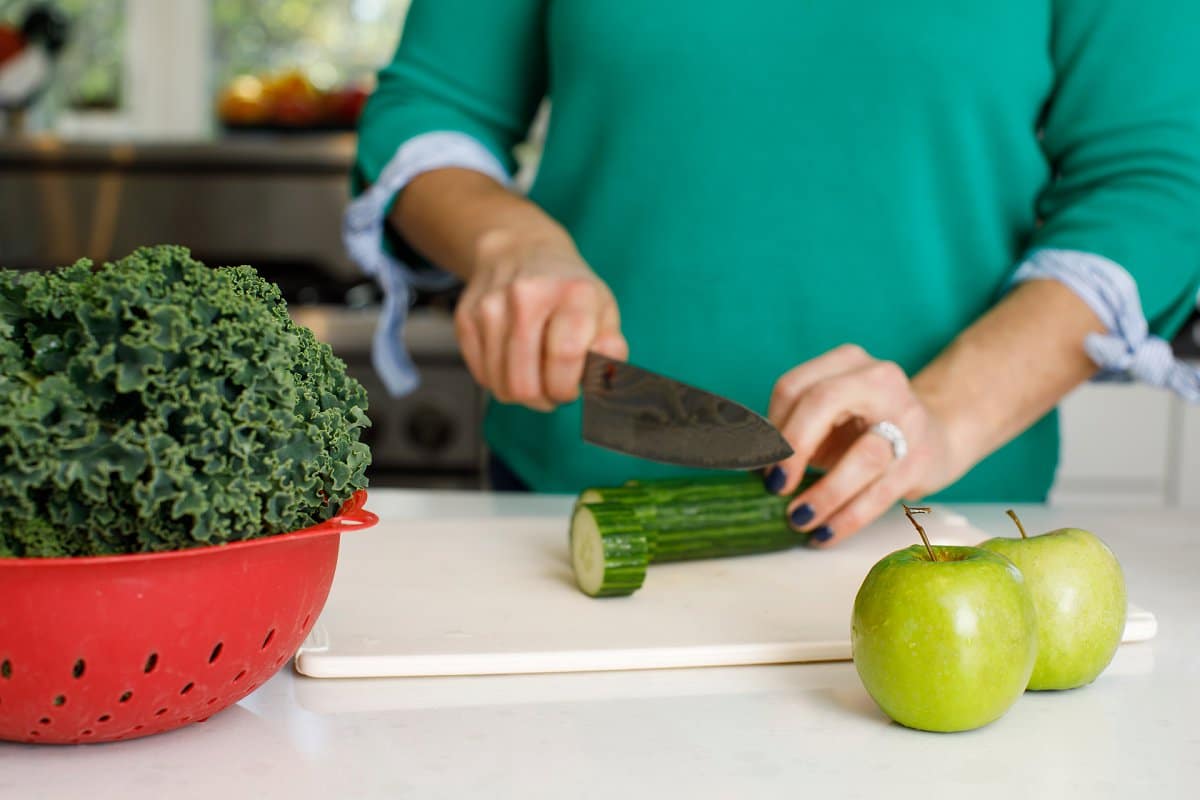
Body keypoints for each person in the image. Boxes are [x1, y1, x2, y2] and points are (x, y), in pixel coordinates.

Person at [345, 0, 1200, 546]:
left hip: (941, 531)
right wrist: (506, 240)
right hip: (562, 514)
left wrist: (944, 413)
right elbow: (433, 104)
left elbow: (1160, 181)